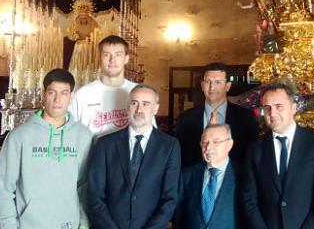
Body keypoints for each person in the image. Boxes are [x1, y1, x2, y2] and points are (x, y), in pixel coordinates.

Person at [0, 69, 93, 229]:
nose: (57, 99)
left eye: (64, 93)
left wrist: (83, 223)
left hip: (68, 225)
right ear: (44, 94)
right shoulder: (19, 136)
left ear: (71, 96)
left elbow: (85, 186)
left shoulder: (84, 136)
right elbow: (4, 187)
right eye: (52, 92)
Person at [87, 84, 181, 229]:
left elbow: (170, 198)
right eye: (134, 103)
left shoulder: (169, 146)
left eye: (146, 104)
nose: (139, 109)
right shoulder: (105, 144)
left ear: (156, 108)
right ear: (127, 107)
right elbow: (94, 195)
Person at [241, 82, 314, 229]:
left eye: (279, 106)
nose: (272, 113)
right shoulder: (255, 149)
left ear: (293, 108)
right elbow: (249, 199)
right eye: (267, 108)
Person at [176, 62, 258, 167]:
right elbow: (180, 156)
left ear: (227, 86)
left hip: (234, 180)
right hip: (195, 180)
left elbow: (251, 156)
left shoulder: (245, 117)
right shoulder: (185, 119)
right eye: (208, 82)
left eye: (218, 82)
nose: (212, 88)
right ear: (202, 85)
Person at [69, 35, 140, 136]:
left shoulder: (138, 92)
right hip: (93, 151)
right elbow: (71, 133)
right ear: (100, 59)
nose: (112, 60)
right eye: (107, 55)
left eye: (118, 55)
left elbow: (149, 134)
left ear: (126, 59)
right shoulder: (82, 94)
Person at [174, 123, 240, 229]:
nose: (208, 147)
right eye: (205, 142)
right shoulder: (186, 175)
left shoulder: (243, 175)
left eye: (216, 142)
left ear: (229, 145)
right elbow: (179, 216)